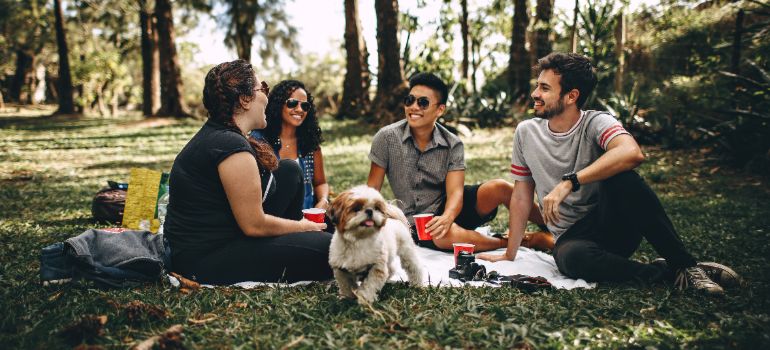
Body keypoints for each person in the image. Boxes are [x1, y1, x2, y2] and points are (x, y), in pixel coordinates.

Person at [478, 52, 739, 295]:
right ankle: (669, 272)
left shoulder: (596, 122)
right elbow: (522, 195)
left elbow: (631, 153)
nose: (535, 93)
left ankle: (686, 264)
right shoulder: (526, 132)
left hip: (612, 224)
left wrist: (570, 181)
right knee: (571, 259)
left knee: (624, 177)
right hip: (573, 239)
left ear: (571, 96)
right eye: (538, 85)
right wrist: (509, 254)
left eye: (545, 88)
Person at [164, 60, 332, 285]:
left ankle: (298, 240)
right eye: (262, 88)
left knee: (290, 170)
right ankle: (302, 240)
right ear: (244, 99)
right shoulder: (230, 146)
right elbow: (254, 225)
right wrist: (303, 227)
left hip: (229, 235)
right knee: (334, 250)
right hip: (206, 258)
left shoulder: (224, 135)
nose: (266, 96)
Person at [367, 72, 546, 252]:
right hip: (417, 222)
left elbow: (455, 194)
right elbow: (372, 189)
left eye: (422, 102)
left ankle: (554, 228)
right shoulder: (387, 138)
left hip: (451, 207)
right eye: (410, 100)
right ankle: (518, 242)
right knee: (442, 235)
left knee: (500, 187)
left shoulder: (452, 143)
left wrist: (447, 217)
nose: (413, 107)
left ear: (440, 110)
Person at [250, 80, 330, 210]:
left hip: (307, 218)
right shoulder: (259, 141)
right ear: (278, 105)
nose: (299, 110)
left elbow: (320, 183)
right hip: (272, 219)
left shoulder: (309, 143)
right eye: (292, 103)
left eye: (305, 106)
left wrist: (323, 201)